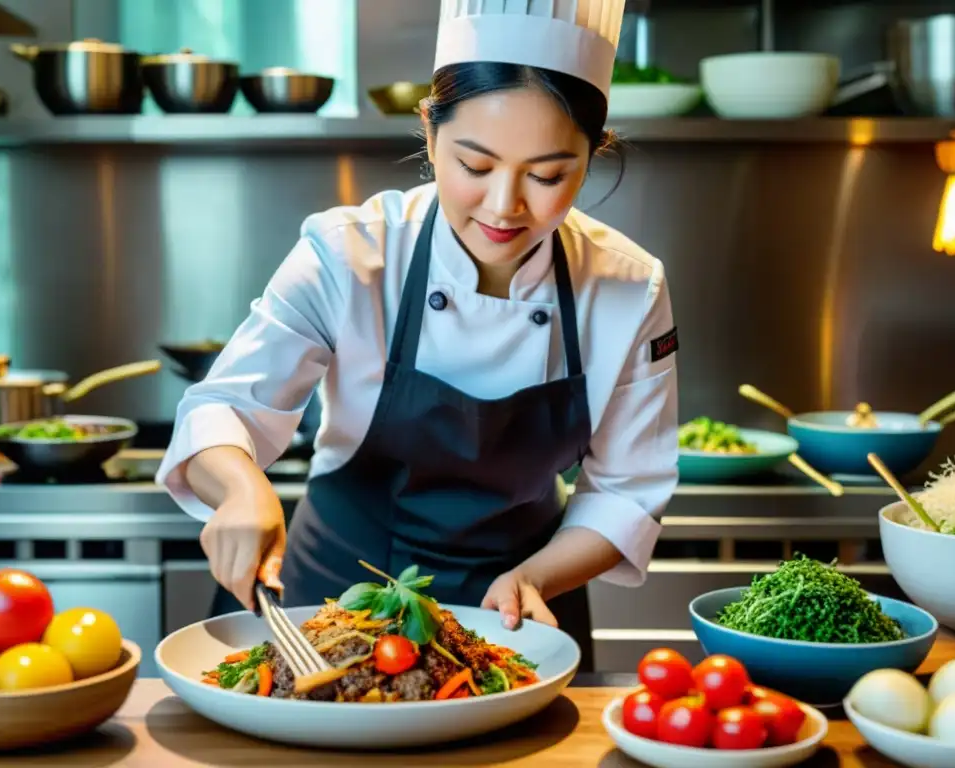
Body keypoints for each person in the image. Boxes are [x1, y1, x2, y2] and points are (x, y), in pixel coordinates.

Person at [156, 0, 679, 670]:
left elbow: (628, 489)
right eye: (476, 165)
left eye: (548, 175)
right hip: (330, 599)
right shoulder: (350, 254)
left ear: (591, 154)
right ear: (430, 132)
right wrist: (239, 486)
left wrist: (538, 577)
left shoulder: (628, 288)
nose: (503, 206)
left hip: (519, 614)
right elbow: (222, 410)